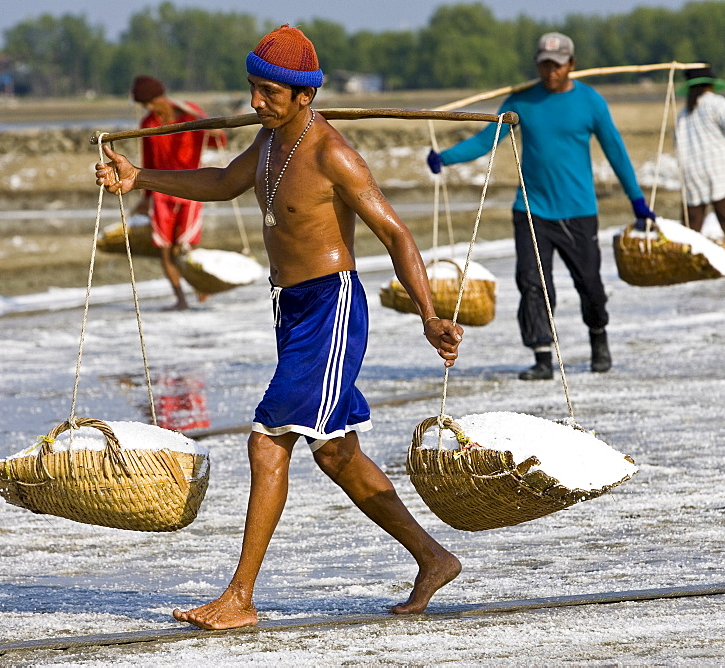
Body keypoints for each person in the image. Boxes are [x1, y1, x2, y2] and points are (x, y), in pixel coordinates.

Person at [97, 25, 464, 630]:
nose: (255, 103)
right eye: (252, 89)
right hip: (289, 308)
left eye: (268, 93)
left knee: (267, 438)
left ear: (302, 97)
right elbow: (220, 182)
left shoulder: (332, 155)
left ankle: (238, 597)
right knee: (338, 454)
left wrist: (428, 314)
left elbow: (396, 233)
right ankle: (432, 557)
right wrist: (141, 178)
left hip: (330, 306)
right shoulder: (269, 144)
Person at [427, 32, 654, 380]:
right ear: (537, 64)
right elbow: (487, 139)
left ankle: (598, 339)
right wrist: (445, 157)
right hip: (532, 209)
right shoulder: (521, 102)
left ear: (571, 65)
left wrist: (636, 199)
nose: (551, 71)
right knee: (533, 284)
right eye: (545, 64)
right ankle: (542, 355)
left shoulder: (590, 102)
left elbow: (616, 151)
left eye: (558, 65)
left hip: (578, 210)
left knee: (589, 283)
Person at [130, 75, 222, 310]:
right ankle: (180, 299)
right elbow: (147, 161)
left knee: (186, 245)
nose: (149, 108)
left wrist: (210, 127)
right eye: (145, 105)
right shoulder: (148, 124)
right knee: (165, 248)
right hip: (161, 191)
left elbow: (218, 139)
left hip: (192, 186)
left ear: (160, 96)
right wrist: (145, 195)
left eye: (151, 102)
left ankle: (201, 286)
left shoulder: (190, 112)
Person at [674, 67, 725, 278]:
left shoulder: (685, 113)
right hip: (719, 174)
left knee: (691, 226)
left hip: (693, 176)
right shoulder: (715, 103)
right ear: (710, 84)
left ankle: (685, 265)